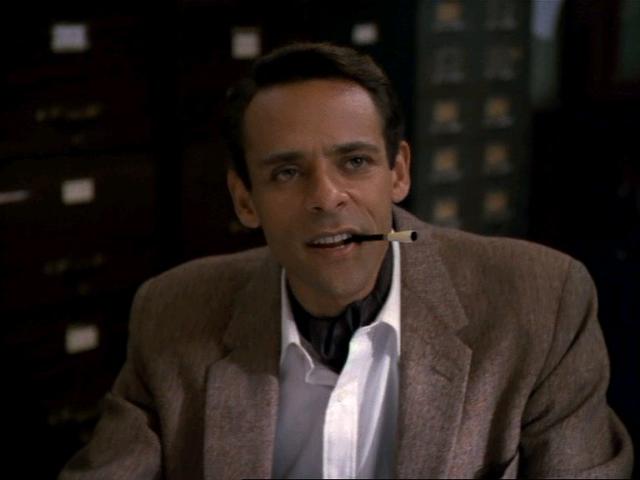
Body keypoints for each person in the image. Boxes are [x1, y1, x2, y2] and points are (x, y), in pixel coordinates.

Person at [59, 42, 633, 479]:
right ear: (244, 200)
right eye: (287, 172)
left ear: (399, 173)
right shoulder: (172, 311)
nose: (326, 197)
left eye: (355, 162)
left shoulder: (542, 301)